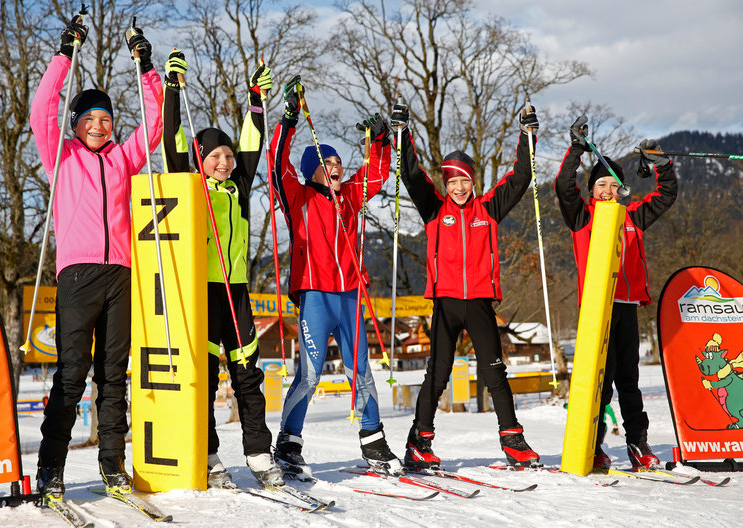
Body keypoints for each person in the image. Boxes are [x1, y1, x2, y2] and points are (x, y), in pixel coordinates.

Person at [31, 16, 163, 497]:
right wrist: (65, 55)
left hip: (121, 274)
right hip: (78, 273)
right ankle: (51, 467)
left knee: (113, 375)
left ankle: (112, 466)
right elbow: (42, 108)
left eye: (106, 119)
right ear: (76, 123)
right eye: (89, 118)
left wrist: (145, 66)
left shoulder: (123, 158)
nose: (98, 126)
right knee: (71, 371)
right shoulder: (60, 155)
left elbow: (154, 122)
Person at [160, 51, 284, 488]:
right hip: (201, 293)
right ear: (201, 158)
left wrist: (255, 98)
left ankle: (258, 454)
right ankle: (210, 456)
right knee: (208, 378)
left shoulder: (240, 187)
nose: (223, 162)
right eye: (214, 156)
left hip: (237, 291)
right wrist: (173, 89)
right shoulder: (189, 184)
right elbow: (171, 140)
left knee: (248, 375)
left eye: (227, 156)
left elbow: (253, 142)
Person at [394, 103, 541, 469]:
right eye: (452, 181)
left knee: (494, 371)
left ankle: (513, 440)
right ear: (446, 184)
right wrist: (402, 133)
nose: (458, 187)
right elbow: (412, 175)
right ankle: (420, 442)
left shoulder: (488, 209)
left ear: (472, 182)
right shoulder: (434, 209)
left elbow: (520, 177)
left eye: (464, 181)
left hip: (478, 302)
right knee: (438, 373)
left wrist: (526, 136)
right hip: (444, 303)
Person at [270, 76, 401, 478]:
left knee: (360, 369)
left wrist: (380, 139)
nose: (336, 168)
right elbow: (278, 163)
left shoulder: (350, 196)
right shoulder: (298, 196)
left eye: (338, 162)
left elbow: (378, 170)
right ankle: (289, 442)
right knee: (309, 374)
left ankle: (373, 440)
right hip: (315, 295)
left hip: (350, 296)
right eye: (326, 165)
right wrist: (289, 118)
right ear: (312, 173)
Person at [554, 114, 677, 469]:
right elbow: (564, 187)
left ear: (622, 190)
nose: (608, 191)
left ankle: (638, 445)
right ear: (592, 191)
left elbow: (666, 194)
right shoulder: (582, 218)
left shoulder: (632, 217)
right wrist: (577, 149)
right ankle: (591, 447)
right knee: (599, 383)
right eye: (601, 185)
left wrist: (662, 165)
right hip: (597, 310)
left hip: (625, 307)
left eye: (614, 186)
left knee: (630, 382)